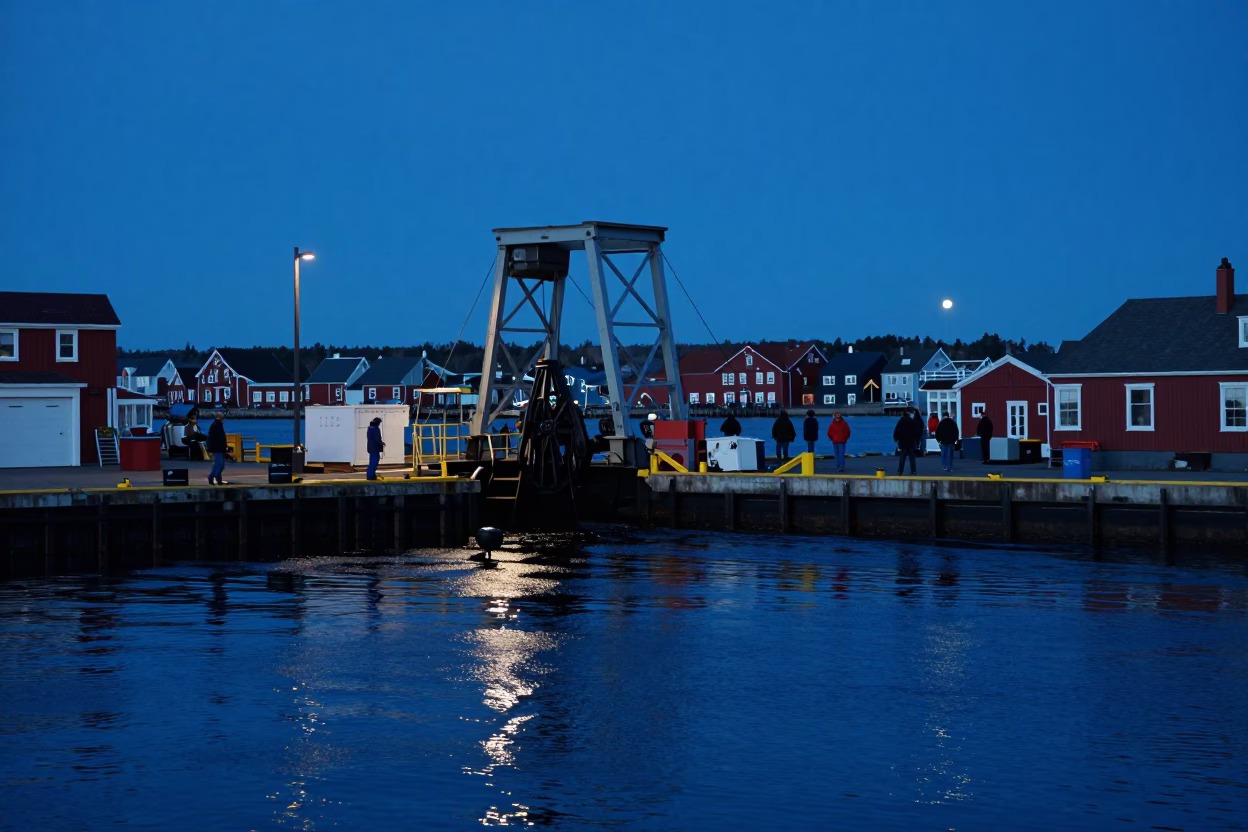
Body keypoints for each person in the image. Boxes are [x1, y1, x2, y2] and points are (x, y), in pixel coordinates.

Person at [893, 407, 920, 475]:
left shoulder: (901, 421)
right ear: (909, 413)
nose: (913, 414)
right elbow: (916, 432)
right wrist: (917, 441)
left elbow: (897, 431)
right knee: (912, 458)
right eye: (913, 412)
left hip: (903, 442)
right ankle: (913, 471)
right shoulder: (912, 421)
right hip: (911, 442)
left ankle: (900, 471)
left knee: (902, 457)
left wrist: (896, 439)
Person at [206, 411, 229, 485]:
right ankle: (213, 476)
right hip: (218, 448)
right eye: (222, 417)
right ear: (219, 417)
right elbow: (219, 438)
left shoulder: (216, 425)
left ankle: (217, 479)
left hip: (218, 448)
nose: (224, 420)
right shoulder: (217, 425)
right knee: (220, 464)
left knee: (217, 464)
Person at [366, 416, 385, 481]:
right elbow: (377, 439)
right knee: (374, 462)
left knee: (371, 462)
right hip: (375, 448)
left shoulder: (369, 428)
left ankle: (370, 476)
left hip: (370, 448)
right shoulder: (376, 429)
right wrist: (381, 443)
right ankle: (371, 477)